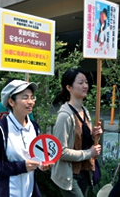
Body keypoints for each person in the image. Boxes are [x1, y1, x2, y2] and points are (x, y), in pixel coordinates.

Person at [0, 79, 51, 197]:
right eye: (25, 97)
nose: (30, 102)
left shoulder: (34, 127)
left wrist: (41, 166)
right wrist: (21, 167)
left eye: (32, 97)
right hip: (6, 192)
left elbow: (35, 160)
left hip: (29, 191)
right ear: (11, 102)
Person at [51, 68, 103, 197]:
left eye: (86, 82)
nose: (85, 86)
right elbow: (60, 151)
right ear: (69, 87)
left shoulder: (84, 111)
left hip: (84, 171)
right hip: (69, 175)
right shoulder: (64, 116)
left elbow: (82, 141)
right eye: (80, 83)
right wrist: (88, 153)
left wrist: (94, 136)